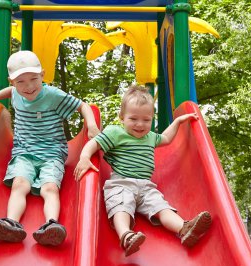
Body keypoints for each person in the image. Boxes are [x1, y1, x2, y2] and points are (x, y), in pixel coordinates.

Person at [0, 50, 100, 246]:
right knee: (19, 184)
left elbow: (82, 106)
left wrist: (91, 125)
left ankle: (51, 226)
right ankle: (11, 223)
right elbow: (9, 92)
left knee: (49, 188)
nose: (29, 86)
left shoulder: (52, 95)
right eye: (21, 82)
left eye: (34, 79)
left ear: (42, 74)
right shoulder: (16, 92)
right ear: (12, 82)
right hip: (24, 151)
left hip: (52, 153)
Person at [74, 85, 212, 256]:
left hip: (147, 187)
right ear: (122, 118)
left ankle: (184, 228)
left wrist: (176, 122)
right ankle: (126, 235)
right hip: (121, 183)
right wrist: (85, 157)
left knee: (162, 208)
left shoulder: (150, 137)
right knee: (121, 206)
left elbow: (167, 138)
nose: (140, 124)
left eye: (146, 120)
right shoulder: (115, 132)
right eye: (133, 119)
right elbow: (94, 143)